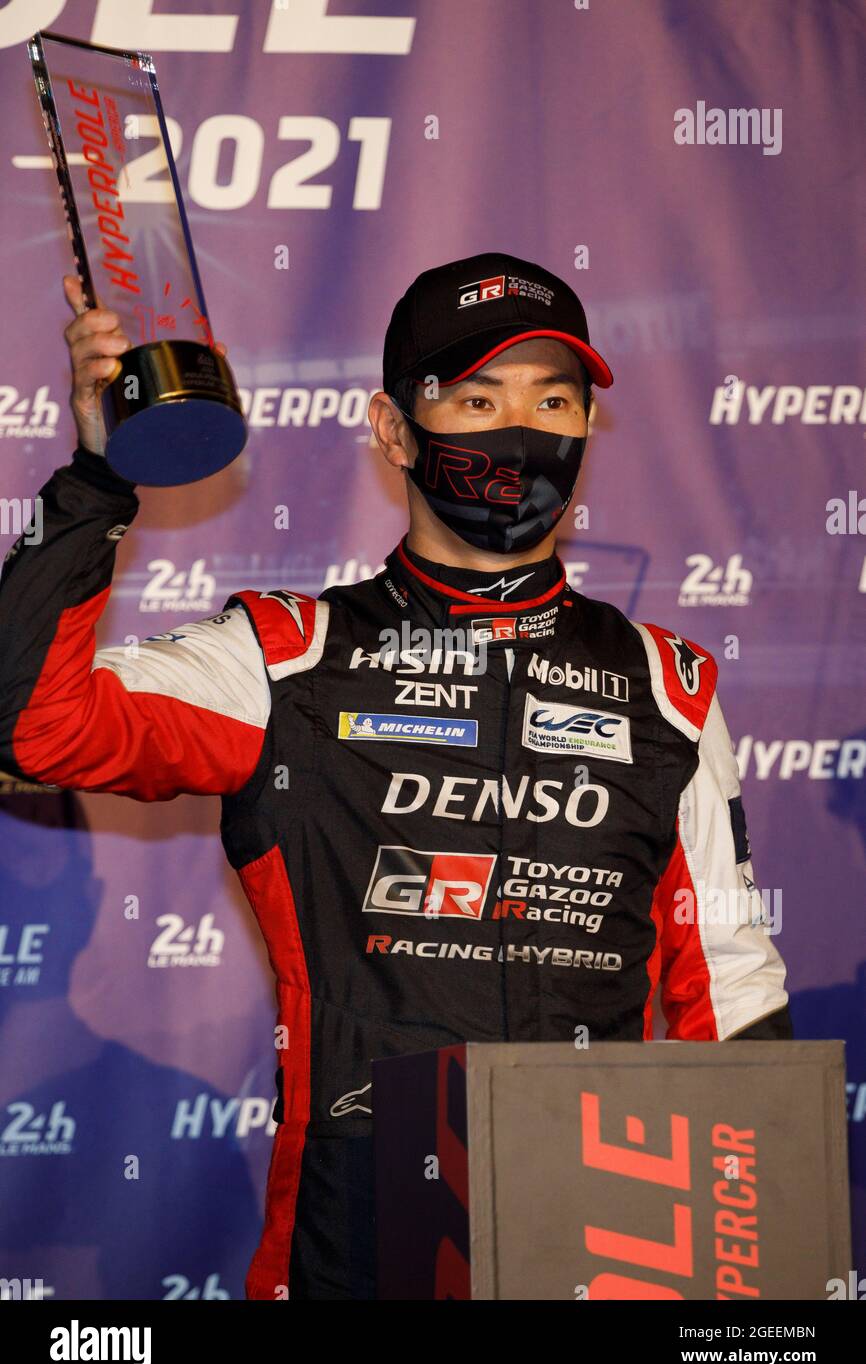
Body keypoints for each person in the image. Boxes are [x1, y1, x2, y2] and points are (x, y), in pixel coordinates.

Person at [0, 251, 791, 1301]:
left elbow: (728, 988)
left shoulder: (665, 684)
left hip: (607, 1220)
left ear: (587, 428)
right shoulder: (284, 659)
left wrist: (763, 1281)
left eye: (552, 397)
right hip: (358, 1232)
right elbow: (33, 725)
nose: (519, 429)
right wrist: (99, 477)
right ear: (391, 429)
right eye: (474, 397)